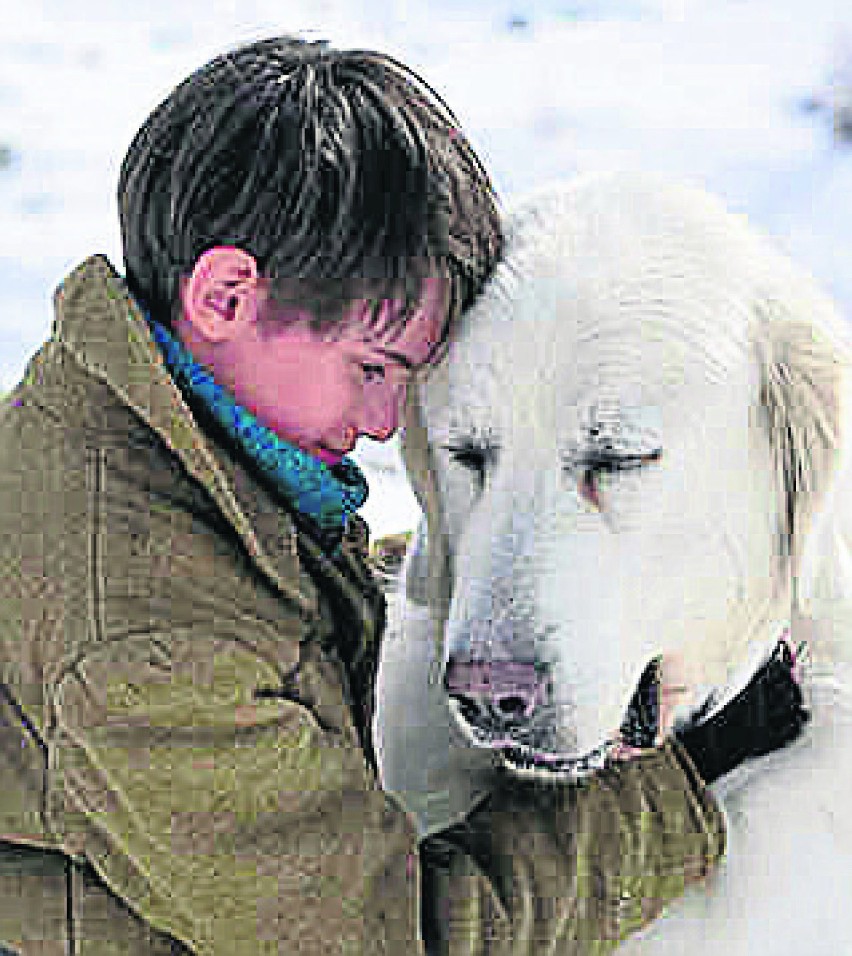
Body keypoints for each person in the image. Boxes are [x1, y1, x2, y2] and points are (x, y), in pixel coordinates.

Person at [0, 36, 807, 956]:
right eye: (373, 368)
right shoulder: (143, 642)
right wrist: (675, 784)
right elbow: (383, 941)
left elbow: (250, 606)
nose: (388, 424)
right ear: (226, 294)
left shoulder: (127, 432)